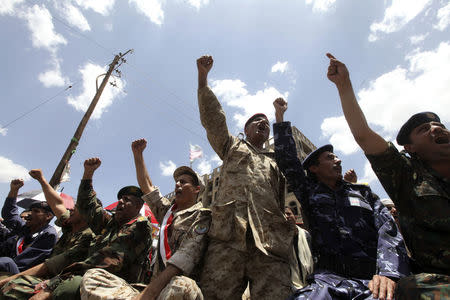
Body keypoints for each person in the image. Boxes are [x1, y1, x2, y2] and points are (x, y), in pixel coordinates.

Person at [326, 52, 450, 299]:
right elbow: (363, 135)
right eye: (424, 129)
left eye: (440, 126)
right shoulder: (406, 175)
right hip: (441, 282)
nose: (436, 129)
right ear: (410, 148)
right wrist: (344, 85)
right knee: (409, 289)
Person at [273, 97, 410, 300]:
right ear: (314, 168)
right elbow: (288, 161)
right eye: (330, 158)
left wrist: (389, 273)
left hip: (373, 278)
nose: (338, 160)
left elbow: (387, 231)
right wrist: (279, 117)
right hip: (329, 280)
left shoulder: (364, 194)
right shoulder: (309, 192)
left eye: (336, 156)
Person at [196, 55, 294, 299]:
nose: (262, 123)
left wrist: (279, 116)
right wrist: (203, 79)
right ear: (246, 130)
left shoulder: (275, 160)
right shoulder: (232, 147)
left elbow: (287, 154)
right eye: (255, 121)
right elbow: (214, 120)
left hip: (269, 243)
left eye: (266, 123)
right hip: (228, 237)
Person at [79, 139, 210, 300]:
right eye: (176, 181)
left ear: (197, 189)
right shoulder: (167, 212)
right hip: (152, 289)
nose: (177, 184)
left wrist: (145, 296)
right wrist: (138, 155)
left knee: (183, 285)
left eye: (183, 182)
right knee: (94, 276)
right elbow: (147, 186)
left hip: (174, 289)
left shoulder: (202, 216)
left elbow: (181, 262)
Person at [26, 157, 152, 300]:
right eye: (120, 199)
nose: (121, 202)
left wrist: (60, 279)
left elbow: (109, 260)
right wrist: (88, 174)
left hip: (116, 285)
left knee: (68, 288)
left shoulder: (140, 226)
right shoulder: (111, 223)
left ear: (138, 206)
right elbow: (87, 205)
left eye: (127, 200)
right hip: (89, 276)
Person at [0, 169, 94, 300]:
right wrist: (38, 180)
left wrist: (8, 279)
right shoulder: (68, 226)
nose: (71, 208)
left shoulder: (82, 236)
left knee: (8, 275)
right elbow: (57, 204)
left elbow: (46, 266)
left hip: (49, 279)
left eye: (36, 211)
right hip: (35, 276)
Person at [0, 179, 57, 275]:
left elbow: (22, 263)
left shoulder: (48, 234)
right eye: (30, 211)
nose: (29, 214)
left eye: (35, 211)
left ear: (48, 216)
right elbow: (10, 214)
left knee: (7, 261)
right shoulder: (25, 227)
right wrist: (14, 190)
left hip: (20, 274)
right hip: (7, 266)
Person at [285, 207, 313, 289]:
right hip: (291, 286)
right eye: (284, 214)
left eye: (289, 214)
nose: (286, 216)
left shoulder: (306, 235)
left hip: (310, 281)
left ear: (295, 217)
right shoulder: (280, 240)